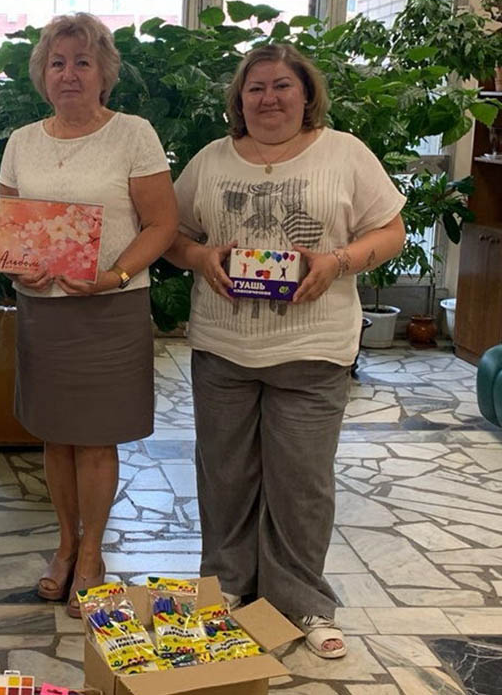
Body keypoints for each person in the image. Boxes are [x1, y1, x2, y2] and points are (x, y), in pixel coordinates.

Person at [165, 43, 406, 659]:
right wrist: (202, 257)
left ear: (306, 94)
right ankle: (224, 588)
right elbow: (174, 235)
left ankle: (302, 601)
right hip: (223, 346)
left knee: (301, 483)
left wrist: (338, 261)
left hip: (314, 349)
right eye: (256, 88)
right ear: (239, 100)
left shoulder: (345, 153)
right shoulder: (211, 160)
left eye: (281, 86)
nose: (268, 98)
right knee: (224, 477)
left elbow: (391, 230)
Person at [0, 13, 178, 617]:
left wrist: (116, 274)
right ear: (42, 74)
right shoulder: (23, 141)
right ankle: (65, 544)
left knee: (97, 439)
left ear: (104, 73)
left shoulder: (133, 134)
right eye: (57, 62)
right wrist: (20, 267)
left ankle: (93, 553)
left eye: (82, 62)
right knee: (55, 435)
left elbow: (162, 224)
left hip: (110, 307)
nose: (69, 74)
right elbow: (10, 226)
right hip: (44, 310)